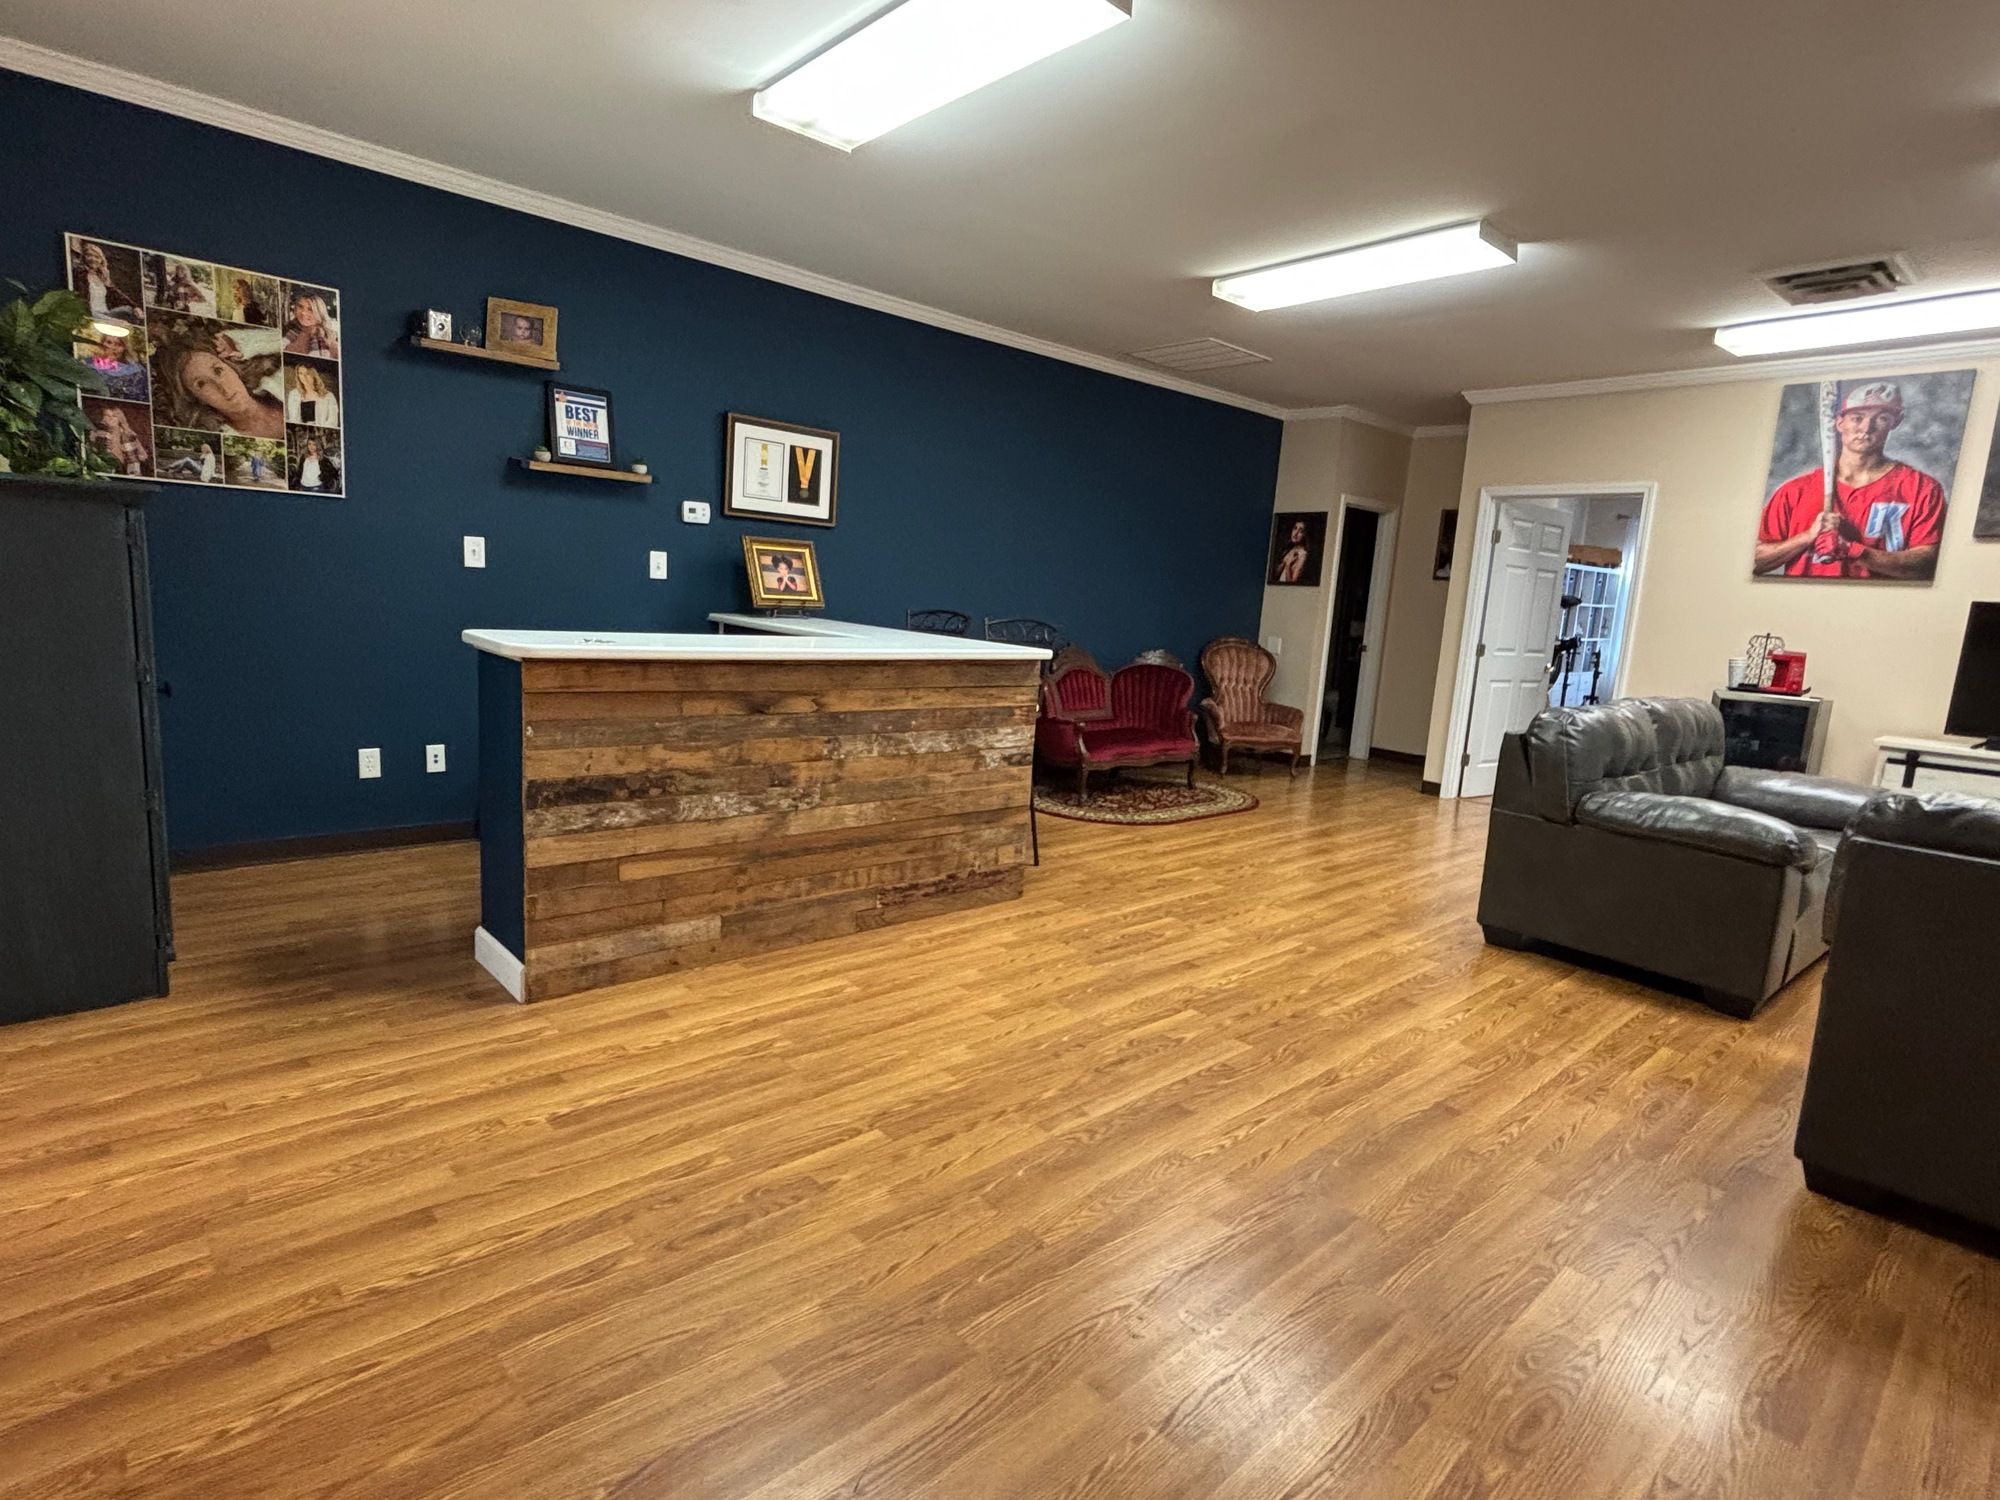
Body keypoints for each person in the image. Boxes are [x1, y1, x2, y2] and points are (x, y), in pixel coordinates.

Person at [1755, 382, 1947, 581]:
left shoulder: (1922, 489)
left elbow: (1926, 565)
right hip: (1802, 598)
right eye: (1857, 418)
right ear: (1839, 423)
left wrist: (1852, 550)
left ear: (1895, 422)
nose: (1866, 428)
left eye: (1881, 418)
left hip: (1882, 599)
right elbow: (1755, 561)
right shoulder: (1795, 491)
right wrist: (1807, 537)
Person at [151, 322, 285, 438]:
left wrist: (241, 344)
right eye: (201, 384)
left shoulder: (279, 384)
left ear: (232, 368)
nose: (221, 386)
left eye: (218, 370)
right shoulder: (225, 436)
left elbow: (291, 340)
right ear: (197, 398)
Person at [73, 240, 141, 323]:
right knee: (121, 324)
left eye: (97, 257)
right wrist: (115, 322)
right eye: (89, 255)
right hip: (90, 313)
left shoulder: (102, 276)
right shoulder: (80, 274)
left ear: (101, 260)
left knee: (129, 310)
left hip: (105, 313)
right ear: (84, 257)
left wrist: (135, 307)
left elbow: (117, 294)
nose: (93, 259)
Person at [84, 331, 149, 402]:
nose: (113, 348)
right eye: (109, 342)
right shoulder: (87, 364)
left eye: (119, 344)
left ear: (125, 348)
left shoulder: (136, 371)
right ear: (102, 343)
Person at [90, 405, 149, 476]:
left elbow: (141, 455)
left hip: (125, 471)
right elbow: (91, 449)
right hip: (103, 469)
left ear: (120, 418)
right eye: (107, 415)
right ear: (103, 417)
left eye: (114, 416)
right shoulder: (95, 432)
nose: (111, 418)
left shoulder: (129, 434)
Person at [283, 290, 340, 358]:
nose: (303, 313)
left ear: (319, 313)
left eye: (310, 309)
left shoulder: (331, 343)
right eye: (300, 306)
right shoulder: (288, 331)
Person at [285, 361, 338, 426]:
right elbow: (293, 419)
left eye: (307, 373)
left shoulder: (329, 396)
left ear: (314, 375)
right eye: (301, 373)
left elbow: (333, 421)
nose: (304, 377)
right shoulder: (293, 395)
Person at [1273, 519, 1311, 584]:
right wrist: (1284, 562)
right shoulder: (1289, 549)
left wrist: (1288, 565)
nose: (1295, 533)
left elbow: (1291, 585)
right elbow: (1275, 576)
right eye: (1295, 528)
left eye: (1301, 531)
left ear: (1305, 535)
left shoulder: (1302, 555)